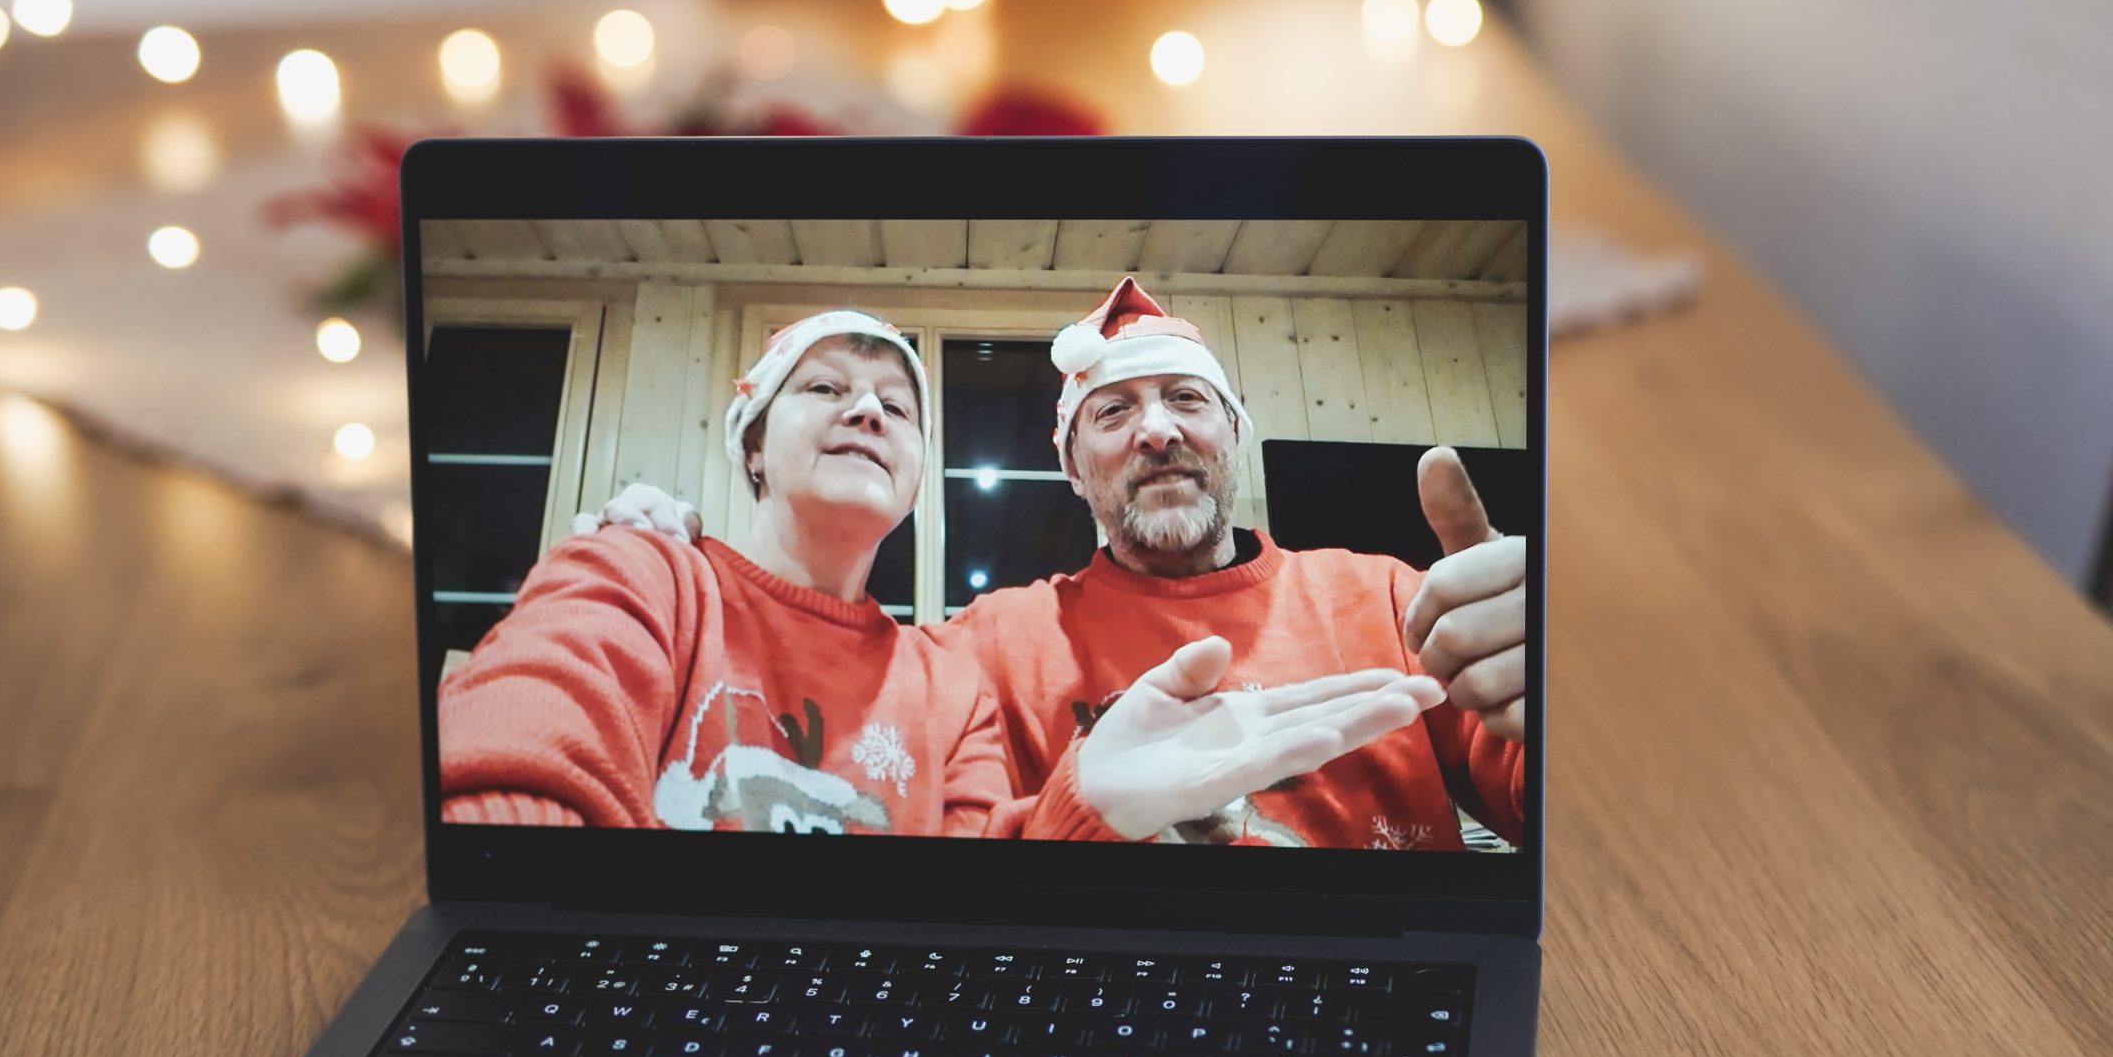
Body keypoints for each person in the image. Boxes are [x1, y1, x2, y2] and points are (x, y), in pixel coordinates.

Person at [586, 279, 1530, 850]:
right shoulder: (994, 641)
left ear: (1232, 435)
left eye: (1186, 401)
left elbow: (1547, 824)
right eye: (1112, 413)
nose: (1156, 428)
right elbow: (838, 697)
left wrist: (1564, 710)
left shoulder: (1389, 592)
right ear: (1074, 468)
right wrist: (691, 571)